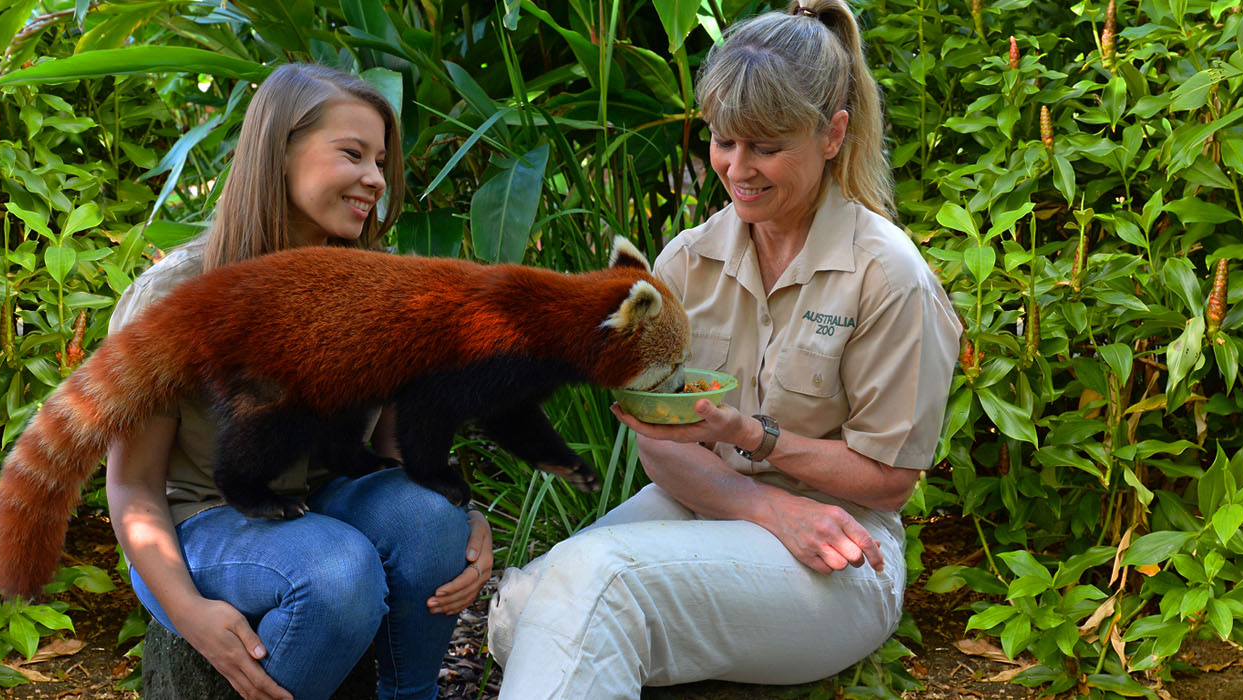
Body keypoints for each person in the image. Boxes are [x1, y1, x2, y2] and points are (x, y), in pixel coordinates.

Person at [485, 0, 962, 694]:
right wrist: (762, 506)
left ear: (832, 134)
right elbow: (661, 439)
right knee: (518, 612)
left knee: (599, 587)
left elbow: (889, 478)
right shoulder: (687, 259)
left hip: (845, 544)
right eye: (723, 140)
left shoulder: (887, 275)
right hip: (707, 504)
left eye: (766, 146)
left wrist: (754, 437)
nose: (738, 168)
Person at [106, 63, 495, 700]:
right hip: (198, 522)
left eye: (380, 161)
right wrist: (190, 614)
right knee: (336, 572)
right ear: (278, 152)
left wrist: (458, 517)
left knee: (430, 523)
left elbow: (396, 458)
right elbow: (134, 486)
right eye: (353, 154)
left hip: (324, 498)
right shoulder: (175, 296)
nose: (375, 179)